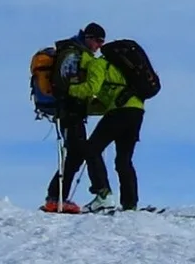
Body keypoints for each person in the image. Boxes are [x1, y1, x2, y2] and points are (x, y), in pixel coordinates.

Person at [68, 35, 147, 212]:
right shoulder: (119, 68)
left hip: (120, 111)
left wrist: (70, 90)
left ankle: (103, 194)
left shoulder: (98, 64)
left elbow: (91, 88)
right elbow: (106, 100)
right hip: (137, 110)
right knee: (123, 160)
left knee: (91, 149)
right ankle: (130, 203)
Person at [41, 22, 109, 213]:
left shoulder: (79, 53)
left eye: (102, 42)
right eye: (97, 41)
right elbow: (64, 82)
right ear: (88, 38)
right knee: (80, 151)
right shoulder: (73, 53)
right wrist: (76, 93)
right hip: (69, 110)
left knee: (75, 155)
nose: (99, 46)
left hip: (73, 110)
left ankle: (55, 197)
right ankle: (57, 197)